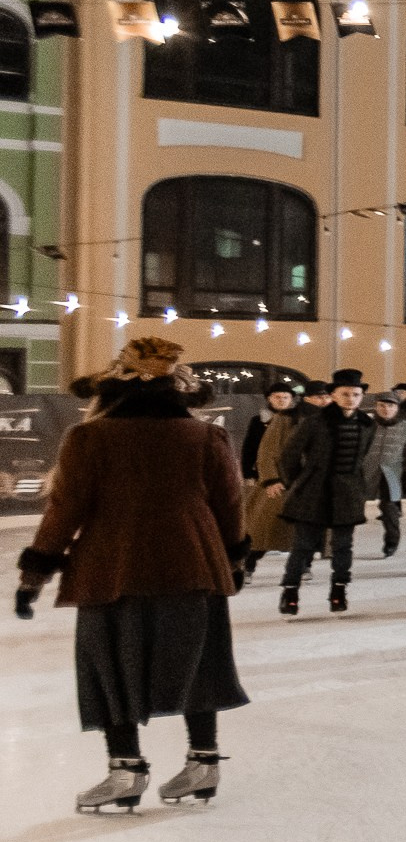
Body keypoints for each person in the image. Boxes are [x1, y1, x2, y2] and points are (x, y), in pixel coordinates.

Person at [19, 338, 249, 815]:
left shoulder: (90, 438)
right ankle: (203, 763)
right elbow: (230, 506)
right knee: (197, 663)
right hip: (193, 563)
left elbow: (65, 510)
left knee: (110, 667)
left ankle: (126, 768)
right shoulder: (206, 436)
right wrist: (233, 560)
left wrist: (35, 572)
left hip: (112, 567)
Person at [276, 368, 378, 617]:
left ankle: (339, 591)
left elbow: (363, 457)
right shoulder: (314, 422)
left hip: (348, 491)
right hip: (314, 490)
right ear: (333, 395)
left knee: (343, 546)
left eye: (356, 394)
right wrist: (299, 482)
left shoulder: (367, 424)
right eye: (345, 394)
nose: (351, 399)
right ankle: (290, 592)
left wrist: (358, 486)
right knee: (303, 545)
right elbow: (287, 456)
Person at [239, 381, 307, 582]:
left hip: (293, 478)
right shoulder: (259, 420)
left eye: (285, 397)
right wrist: (248, 473)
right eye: (277, 397)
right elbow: (250, 448)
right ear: (269, 399)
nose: (281, 400)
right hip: (267, 477)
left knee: (298, 526)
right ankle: (249, 564)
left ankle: (303, 565)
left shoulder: (298, 420)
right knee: (261, 525)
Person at [365, 395, 406, 559]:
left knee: (389, 508)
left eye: (391, 406)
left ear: (397, 408)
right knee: (349, 506)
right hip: (365, 472)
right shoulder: (366, 426)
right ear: (376, 407)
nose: (386, 409)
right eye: (382, 406)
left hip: (391, 473)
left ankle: (391, 543)